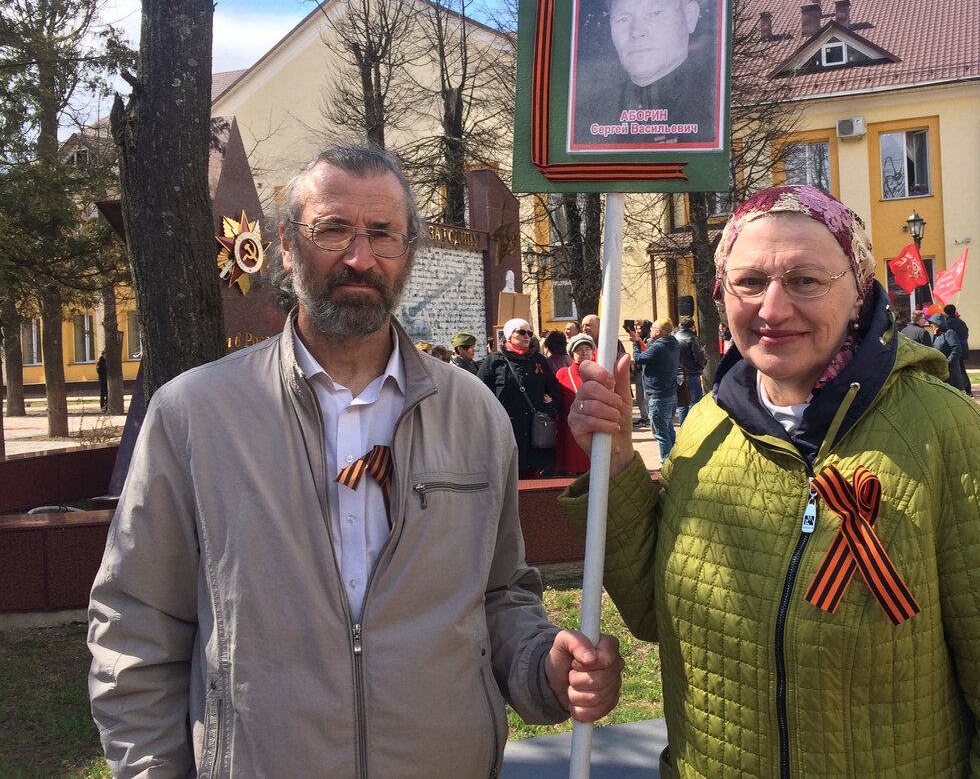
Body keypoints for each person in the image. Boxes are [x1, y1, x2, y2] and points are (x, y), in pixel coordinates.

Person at [87, 146, 622, 778]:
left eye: (383, 235)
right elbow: (135, 626)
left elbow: (501, 594)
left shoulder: (474, 416)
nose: (359, 257)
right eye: (333, 230)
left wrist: (545, 666)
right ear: (286, 247)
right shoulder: (194, 417)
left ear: (409, 253)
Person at [562, 185, 980, 776]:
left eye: (806, 281)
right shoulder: (706, 424)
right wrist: (619, 470)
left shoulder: (951, 434)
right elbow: (655, 619)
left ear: (860, 292)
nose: (773, 309)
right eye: (751, 282)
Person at [573, 0, 717, 149]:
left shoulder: (711, 103)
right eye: (623, 18)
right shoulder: (587, 115)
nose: (636, 31)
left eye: (654, 13)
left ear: (690, 17)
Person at [478, 318, 562, 480]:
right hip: (505, 429)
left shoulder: (538, 360)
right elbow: (480, 392)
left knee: (533, 482)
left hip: (534, 432)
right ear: (509, 336)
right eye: (521, 332)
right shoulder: (495, 361)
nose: (527, 336)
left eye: (529, 333)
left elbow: (552, 387)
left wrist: (550, 406)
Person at [633, 317, 680, 460]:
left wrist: (636, 342)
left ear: (658, 331)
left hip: (658, 396)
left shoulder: (658, 347)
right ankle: (674, 460)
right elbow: (652, 348)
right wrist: (643, 325)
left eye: (652, 328)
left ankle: (666, 462)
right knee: (669, 429)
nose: (650, 330)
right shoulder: (673, 343)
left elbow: (638, 359)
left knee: (660, 432)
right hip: (670, 394)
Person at [554, 334, 595, 477]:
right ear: (572, 353)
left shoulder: (599, 372)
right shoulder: (563, 373)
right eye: (579, 350)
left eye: (587, 349)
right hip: (569, 429)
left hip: (593, 428)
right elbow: (556, 399)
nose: (584, 353)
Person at [673, 316, 707, 425]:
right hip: (692, 373)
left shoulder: (674, 337)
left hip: (678, 373)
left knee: (683, 403)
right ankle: (693, 427)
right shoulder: (691, 338)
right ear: (692, 327)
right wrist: (703, 362)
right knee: (695, 403)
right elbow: (699, 358)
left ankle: (683, 427)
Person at [927, 312, 967, 392]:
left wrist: (947, 361)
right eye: (930, 323)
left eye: (933, 323)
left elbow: (956, 349)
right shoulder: (932, 335)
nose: (931, 325)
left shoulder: (949, 333)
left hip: (950, 369)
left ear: (939, 323)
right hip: (936, 369)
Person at [942, 304, 972, 394]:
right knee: (962, 369)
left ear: (946, 314)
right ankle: (967, 389)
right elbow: (966, 333)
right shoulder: (961, 322)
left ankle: (964, 388)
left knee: (957, 370)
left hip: (954, 349)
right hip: (963, 347)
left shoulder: (948, 324)